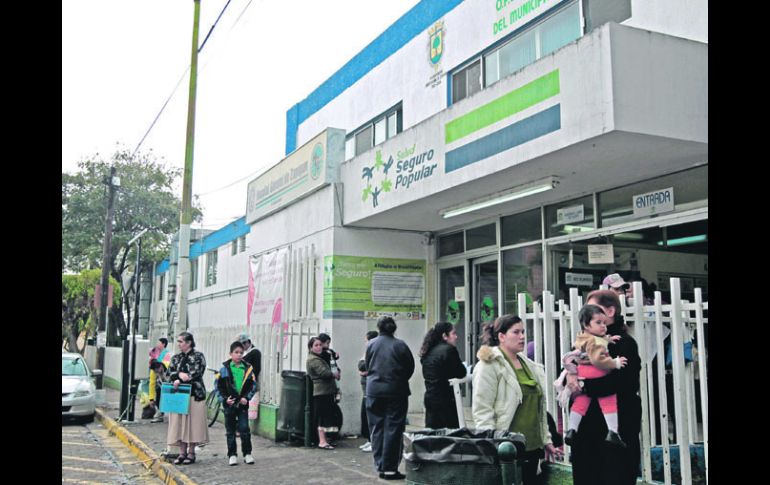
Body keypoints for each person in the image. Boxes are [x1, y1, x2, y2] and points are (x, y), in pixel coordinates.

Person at [472, 314, 561, 484]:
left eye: (523, 332)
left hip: (533, 447)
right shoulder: (489, 365)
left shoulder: (529, 365)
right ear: (501, 336)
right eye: (516, 332)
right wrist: (492, 445)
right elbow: (482, 409)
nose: (522, 337)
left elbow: (539, 410)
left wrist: (546, 440)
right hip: (507, 448)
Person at [566, 290, 641, 485]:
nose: (589, 314)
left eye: (595, 309)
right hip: (586, 435)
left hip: (614, 437)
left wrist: (583, 386)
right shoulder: (584, 343)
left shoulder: (624, 344)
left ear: (610, 311)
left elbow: (623, 383)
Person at [563, 304, 627, 448]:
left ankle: (572, 429)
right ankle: (613, 432)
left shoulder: (583, 337)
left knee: (580, 404)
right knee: (609, 401)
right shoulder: (594, 341)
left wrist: (608, 339)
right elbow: (598, 360)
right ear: (586, 325)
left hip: (582, 373)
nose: (603, 326)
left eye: (604, 322)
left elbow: (596, 342)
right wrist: (615, 363)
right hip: (596, 373)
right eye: (598, 323)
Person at [365, 316, 415, 481]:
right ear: (393, 329)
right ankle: (390, 468)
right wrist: (399, 379)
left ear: (379, 328)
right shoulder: (400, 345)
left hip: (373, 390)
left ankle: (380, 465)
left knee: (377, 428)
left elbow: (367, 364)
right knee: (393, 428)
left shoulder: (371, 344)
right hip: (396, 391)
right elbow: (410, 367)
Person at [166, 332, 209, 465]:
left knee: (193, 423)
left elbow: (198, 371)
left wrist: (185, 377)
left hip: (194, 394)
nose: (179, 344)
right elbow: (169, 373)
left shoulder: (198, 356)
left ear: (189, 342)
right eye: (178, 342)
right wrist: (178, 376)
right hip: (179, 395)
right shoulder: (176, 358)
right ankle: (181, 452)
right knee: (179, 423)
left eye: (181, 341)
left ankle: (191, 452)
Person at [419, 322, 466, 429]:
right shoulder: (449, 350)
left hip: (430, 397)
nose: (456, 337)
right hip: (446, 399)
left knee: (433, 434)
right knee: (450, 435)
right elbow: (461, 372)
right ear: (445, 336)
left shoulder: (428, 351)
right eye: (453, 333)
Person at [217, 340, 258, 466]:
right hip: (230, 404)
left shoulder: (248, 369)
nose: (239, 355)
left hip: (243, 404)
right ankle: (232, 454)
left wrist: (247, 397)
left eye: (241, 352)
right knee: (230, 430)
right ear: (231, 354)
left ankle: (247, 453)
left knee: (244, 428)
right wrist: (225, 399)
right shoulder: (224, 369)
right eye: (236, 352)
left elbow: (253, 386)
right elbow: (218, 388)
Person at [306, 336, 339, 450]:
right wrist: (334, 374)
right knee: (321, 417)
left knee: (327, 416)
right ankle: (322, 441)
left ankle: (326, 439)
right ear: (311, 347)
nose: (319, 347)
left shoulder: (320, 357)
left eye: (320, 345)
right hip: (321, 391)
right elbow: (324, 373)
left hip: (327, 390)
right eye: (316, 345)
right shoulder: (313, 360)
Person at [357, 330, 379, 452]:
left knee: (371, 417)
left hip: (371, 390)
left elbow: (364, 366)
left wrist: (365, 370)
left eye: (366, 340)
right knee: (365, 416)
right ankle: (369, 439)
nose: (365, 343)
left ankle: (373, 441)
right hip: (365, 389)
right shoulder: (368, 351)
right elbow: (361, 366)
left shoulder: (373, 351)